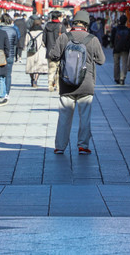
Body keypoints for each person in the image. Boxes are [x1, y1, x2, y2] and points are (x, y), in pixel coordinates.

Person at [49, 10, 105, 155]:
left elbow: (53, 56)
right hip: (86, 85)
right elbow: (101, 60)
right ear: (86, 24)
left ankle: (60, 147)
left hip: (66, 84)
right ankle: (83, 145)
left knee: (64, 117)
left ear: (74, 22)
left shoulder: (64, 37)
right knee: (85, 117)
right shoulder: (92, 39)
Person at [43, 10, 67, 92]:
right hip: (60, 51)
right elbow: (65, 39)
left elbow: (44, 40)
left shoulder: (47, 26)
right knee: (59, 69)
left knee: (51, 68)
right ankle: (58, 86)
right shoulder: (61, 26)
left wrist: (48, 46)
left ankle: (50, 85)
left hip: (50, 51)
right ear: (59, 17)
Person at [0, 13, 20, 99]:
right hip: (10, 54)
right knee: (8, 74)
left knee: (0, 75)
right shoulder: (13, 30)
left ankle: (1, 90)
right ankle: (6, 93)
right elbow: (15, 42)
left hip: (0, 55)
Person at [24, 15, 46, 87]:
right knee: (38, 67)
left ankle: (31, 79)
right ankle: (35, 80)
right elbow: (43, 43)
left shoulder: (29, 33)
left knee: (31, 67)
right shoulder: (42, 33)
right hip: (40, 51)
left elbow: (25, 43)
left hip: (31, 51)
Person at [110, 15, 130, 85]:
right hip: (125, 49)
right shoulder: (129, 30)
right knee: (124, 64)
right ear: (126, 21)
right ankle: (122, 78)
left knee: (116, 64)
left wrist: (113, 46)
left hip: (116, 49)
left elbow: (112, 39)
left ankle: (116, 78)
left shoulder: (115, 29)